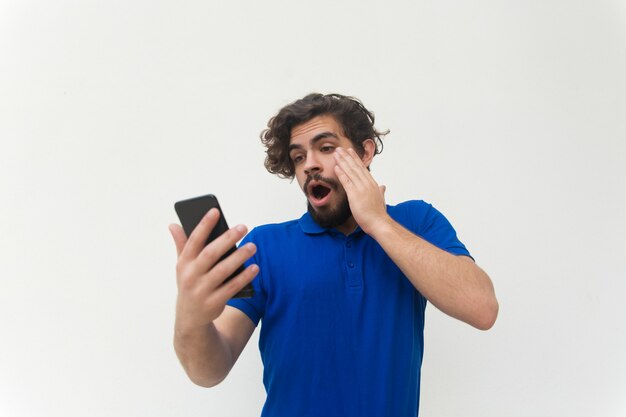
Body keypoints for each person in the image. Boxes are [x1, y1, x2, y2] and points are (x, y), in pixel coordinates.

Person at [169, 93, 499, 417]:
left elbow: (481, 308)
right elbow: (209, 371)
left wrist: (378, 222)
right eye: (298, 157)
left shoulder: (416, 222)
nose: (309, 164)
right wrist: (191, 318)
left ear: (365, 151)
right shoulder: (264, 247)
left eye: (326, 148)